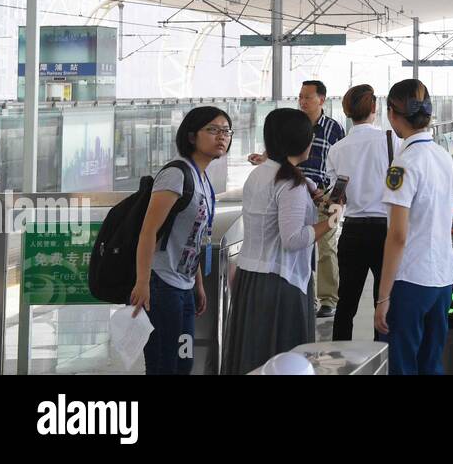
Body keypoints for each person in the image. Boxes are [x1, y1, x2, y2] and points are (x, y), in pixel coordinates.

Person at [221, 108, 333, 375]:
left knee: (253, 355)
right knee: (283, 360)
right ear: (302, 142)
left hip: (252, 279)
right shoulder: (290, 184)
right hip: (281, 284)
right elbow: (293, 239)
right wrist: (330, 223)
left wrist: (310, 188)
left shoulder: (260, 174)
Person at [130, 106, 228, 375]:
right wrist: (142, 282)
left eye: (225, 130)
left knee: (183, 363)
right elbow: (148, 230)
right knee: (164, 364)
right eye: (212, 130)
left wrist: (197, 283)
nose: (221, 136)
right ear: (191, 136)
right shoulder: (176, 174)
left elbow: (193, 237)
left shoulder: (203, 179)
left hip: (182, 286)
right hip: (160, 284)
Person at [374, 79, 453, 375]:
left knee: (402, 365)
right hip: (443, 277)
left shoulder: (403, 164)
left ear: (392, 114)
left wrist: (383, 297)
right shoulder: (442, 156)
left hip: (410, 280)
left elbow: (397, 236)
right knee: (431, 363)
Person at [329, 84, 392, 341]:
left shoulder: (337, 149)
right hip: (384, 229)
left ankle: (338, 357)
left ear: (347, 111)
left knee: (346, 303)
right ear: (374, 108)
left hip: (352, 229)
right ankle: (383, 355)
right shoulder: (390, 141)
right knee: (384, 298)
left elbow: (336, 196)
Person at [297, 80, 345, 319]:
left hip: (325, 196)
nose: (303, 101)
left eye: (308, 97)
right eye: (301, 97)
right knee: (297, 244)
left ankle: (328, 299)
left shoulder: (333, 128)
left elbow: (341, 164)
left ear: (322, 99)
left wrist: (332, 196)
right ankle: (303, 293)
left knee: (327, 247)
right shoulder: (293, 125)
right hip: (295, 193)